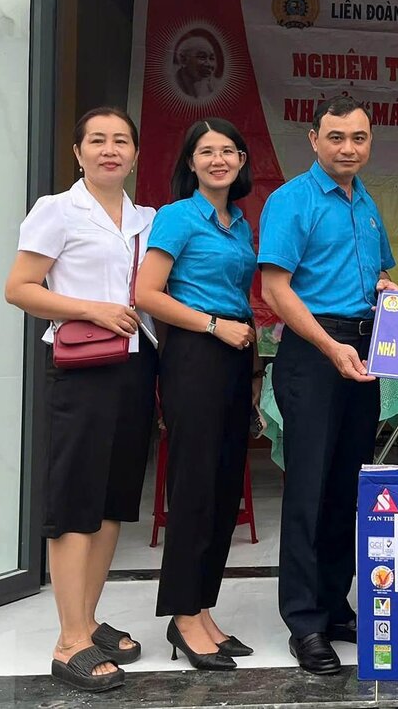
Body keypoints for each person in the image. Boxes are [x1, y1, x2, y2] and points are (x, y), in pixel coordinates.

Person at [4, 107, 157, 692]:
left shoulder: (148, 219)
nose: (109, 149)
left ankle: (88, 621)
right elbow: (19, 288)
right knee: (74, 499)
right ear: (78, 152)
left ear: (136, 153)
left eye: (121, 140)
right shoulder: (56, 210)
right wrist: (91, 307)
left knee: (113, 500)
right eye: (97, 140)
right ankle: (68, 641)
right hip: (81, 368)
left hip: (136, 368)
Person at [259, 94, 396, 675]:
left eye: (359, 137)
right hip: (315, 353)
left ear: (370, 141)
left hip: (362, 349)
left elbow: (381, 273)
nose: (348, 148)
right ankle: (305, 622)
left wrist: (389, 291)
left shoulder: (366, 203)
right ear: (313, 138)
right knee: (309, 488)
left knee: (348, 484)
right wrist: (328, 345)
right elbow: (275, 288)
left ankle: (337, 605)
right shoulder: (291, 201)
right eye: (336, 137)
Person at [135, 118, 260, 671]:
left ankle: (204, 609)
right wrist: (212, 325)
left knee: (223, 485)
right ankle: (183, 616)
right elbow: (146, 293)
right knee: (193, 486)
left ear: (240, 161)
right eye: (206, 152)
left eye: (227, 151)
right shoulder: (177, 216)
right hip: (194, 354)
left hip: (234, 356)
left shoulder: (240, 225)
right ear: (190, 162)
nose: (218, 159)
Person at [173, 31, 219, 99]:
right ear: (183, 60)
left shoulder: (215, 87)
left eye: (212, 58)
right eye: (202, 57)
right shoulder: (171, 85)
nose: (209, 64)